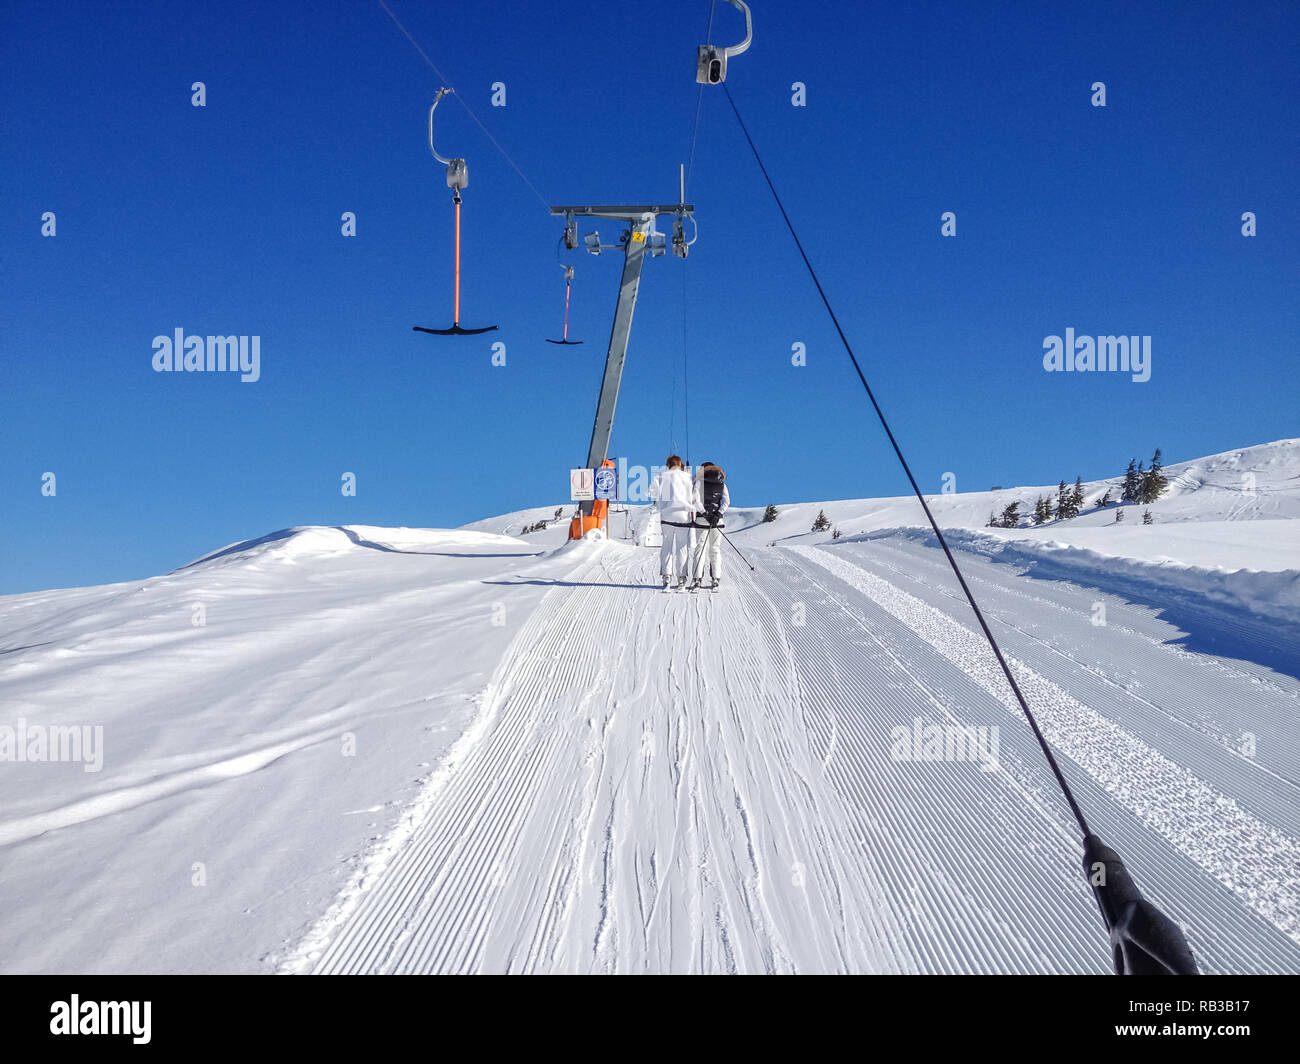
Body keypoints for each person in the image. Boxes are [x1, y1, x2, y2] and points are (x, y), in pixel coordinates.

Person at [649, 455, 696, 588]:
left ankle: (667, 576)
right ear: (681, 465)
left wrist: (659, 502)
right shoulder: (688, 477)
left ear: (668, 465)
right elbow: (694, 496)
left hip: (667, 516)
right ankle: (681, 577)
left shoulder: (660, 476)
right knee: (682, 546)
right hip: (683, 516)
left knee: (667, 546)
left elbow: (651, 492)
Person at [690, 462, 729, 589]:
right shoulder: (722, 484)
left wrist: (705, 513)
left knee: (700, 548)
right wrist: (717, 514)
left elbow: (695, 500)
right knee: (715, 549)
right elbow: (726, 501)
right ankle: (715, 578)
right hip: (718, 522)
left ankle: (697, 578)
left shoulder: (699, 482)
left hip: (702, 520)